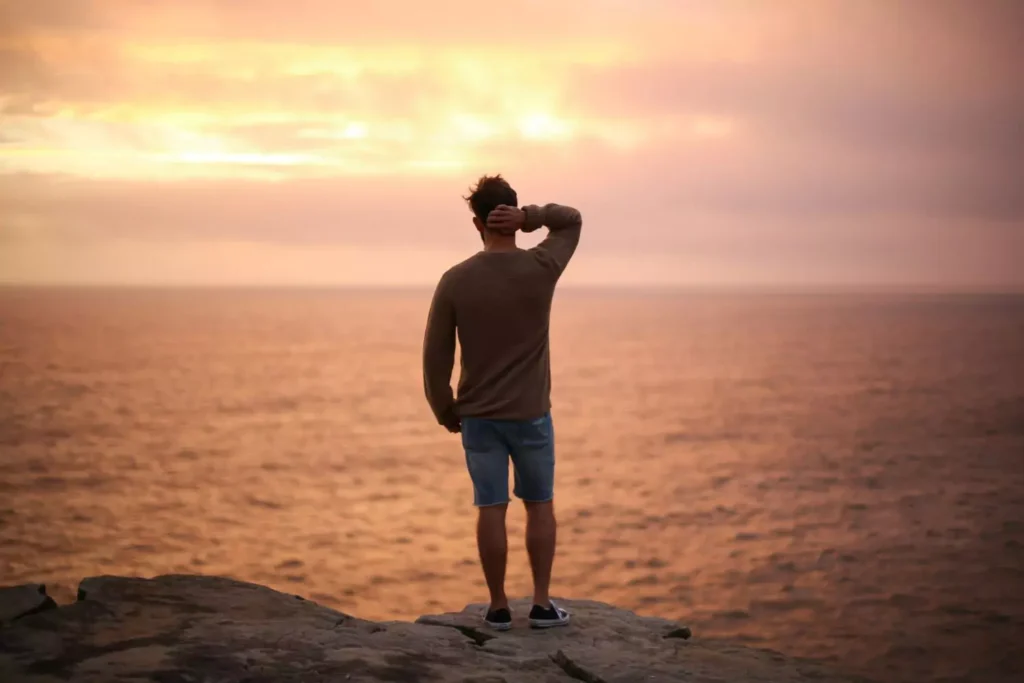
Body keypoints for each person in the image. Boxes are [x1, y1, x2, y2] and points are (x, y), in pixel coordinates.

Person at [422, 174, 582, 630]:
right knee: (540, 505)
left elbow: (436, 356)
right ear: (510, 216)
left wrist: (444, 409)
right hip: (531, 415)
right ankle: (542, 604)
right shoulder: (542, 266)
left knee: (490, 507)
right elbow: (571, 220)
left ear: (477, 223)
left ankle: (497, 607)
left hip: (479, 418)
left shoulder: (455, 279)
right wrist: (531, 217)